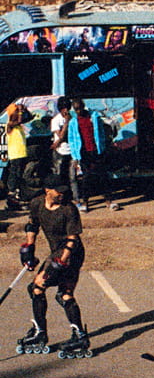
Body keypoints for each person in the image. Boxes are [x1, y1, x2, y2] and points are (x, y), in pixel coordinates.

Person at [17, 173, 90, 358]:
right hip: (56, 252)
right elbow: (32, 226)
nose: (61, 195)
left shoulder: (68, 209)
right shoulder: (37, 204)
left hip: (71, 253)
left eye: (63, 191)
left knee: (37, 288)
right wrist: (28, 248)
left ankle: (42, 333)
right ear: (47, 190)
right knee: (63, 295)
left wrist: (63, 260)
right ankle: (78, 335)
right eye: (58, 191)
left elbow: (73, 239)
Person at [50, 96, 76, 205]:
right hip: (60, 152)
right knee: (60, 176)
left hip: (72, 151)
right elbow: (60, 134)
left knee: (73, 177)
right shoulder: (55, 120)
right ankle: (61, 199)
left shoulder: (73, 118)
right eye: (63, 108)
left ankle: (74, 198)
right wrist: (66, 123)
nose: (66, 110)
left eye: (67, 108)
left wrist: (57, 142)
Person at [4, 103, 30, 210]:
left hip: (21, 153)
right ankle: (11, 197)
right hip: (15, 154)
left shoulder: (18, 125)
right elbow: (19, 120)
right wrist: (19, 111)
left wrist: (25, 109)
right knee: (15, 175)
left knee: (20, 176)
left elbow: (29, 117)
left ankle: (17, 199)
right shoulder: (10, 124)